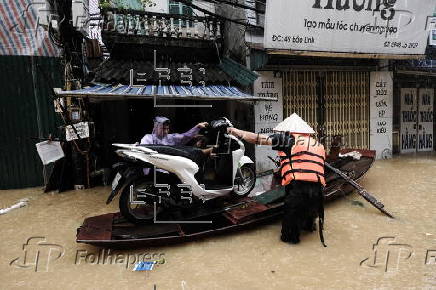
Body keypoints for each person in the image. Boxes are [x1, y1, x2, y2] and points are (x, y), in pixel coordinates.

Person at [226, 114, 326, 246]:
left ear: (288, 131)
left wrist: (236, 132)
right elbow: (311, 166)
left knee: (289, 237)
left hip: (299, 191)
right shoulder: (317, 144)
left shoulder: (288, 139)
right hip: (318, 192)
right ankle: (309, 226)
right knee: (308, 227)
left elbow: (258, 139)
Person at [140, 116, 208, 146]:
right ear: (156, 128)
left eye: (167, 129)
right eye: (163, 129)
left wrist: (197, 127)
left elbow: (185, 136)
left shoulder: (171, 137)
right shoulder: (147, 138)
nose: (166, 131)